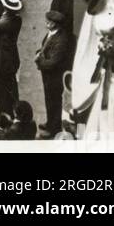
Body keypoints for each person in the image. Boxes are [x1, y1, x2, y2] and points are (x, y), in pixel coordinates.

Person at [34, 8, 75, 139]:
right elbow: (45, 46)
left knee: (54, 101)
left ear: (54, 24)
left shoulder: (61, 40)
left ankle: (54, 129)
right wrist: (39, 52)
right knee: (49, 100)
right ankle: (50, 122)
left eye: (48, 21)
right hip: (48, 75)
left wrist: (39, 60)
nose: (46, 22)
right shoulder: (52, 33)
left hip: (54, 77)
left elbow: (52, 63)